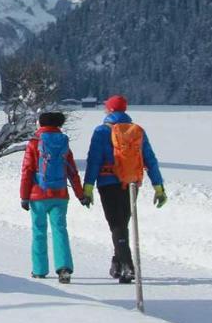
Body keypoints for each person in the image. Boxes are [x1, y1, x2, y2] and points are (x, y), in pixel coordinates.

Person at [82, 95, 167, 283]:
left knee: (116, 225)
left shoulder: (101, 131)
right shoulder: (137, 131)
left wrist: (87, 187)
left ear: (109, 110)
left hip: (107, 183)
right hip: (131, 183)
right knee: (122, 224)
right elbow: (150, 160)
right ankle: (117, 264)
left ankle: (128, 265)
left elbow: (94, 161)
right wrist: (158, 187)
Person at [20, 111, 85, 283]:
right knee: (60, 230)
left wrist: (24, 196)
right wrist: (80, 194)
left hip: (38, 194)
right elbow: (72, 170)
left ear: (40, 124)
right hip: (60, 194)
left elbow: (27, 171)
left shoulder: (34, 143)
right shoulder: (63, 143)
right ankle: (64, 268)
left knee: (39, 231)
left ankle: (39, 269)